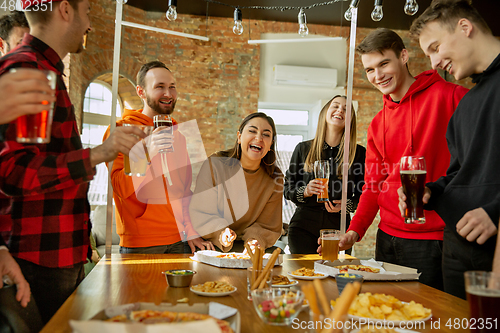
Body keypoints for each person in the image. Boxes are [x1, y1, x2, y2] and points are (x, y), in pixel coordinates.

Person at [0, 0, 147, 324]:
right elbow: (15, 172)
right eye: (89, 13)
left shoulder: (46, 69)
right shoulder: (29, 68)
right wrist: (96, 154)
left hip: (59, 255)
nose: (90, 25)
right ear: (65, 10)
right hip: (39, 260)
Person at [337, 28, 468, 291]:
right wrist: (355, 230)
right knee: (390, 319)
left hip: (434, 240)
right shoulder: (376, 123)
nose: (378, 75)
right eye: (370, 70)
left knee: (429, 324)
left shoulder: (451, 96)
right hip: (386, 237)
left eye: (384, 63)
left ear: (404, 56)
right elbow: (373, 185)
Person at [402, 0, 500, 299]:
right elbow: (459, 174)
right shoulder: (467, 104)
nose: (432, 63)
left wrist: (495, 213)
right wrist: (431, 192)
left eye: (434, 47)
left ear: (465, 27)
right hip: (457, 248)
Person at [103, 61, 211, 254]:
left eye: (172, 87)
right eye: (159, 87)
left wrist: (191, 230)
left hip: (180, 240)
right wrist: (147, 154)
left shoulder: (179, 136)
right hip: (140, 244)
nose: (168, 94)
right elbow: (119, 186)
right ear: (141, 92)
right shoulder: (120, 131)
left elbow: (183, 191)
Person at [189, 112, 283, 252]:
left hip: (250, 246)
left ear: (271, 145)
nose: (259, 138)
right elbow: (201, 212)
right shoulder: (215, 165)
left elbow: (267, 224)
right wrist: (221, 233)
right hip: (214, 242)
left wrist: (256, 240)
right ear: (239, 137)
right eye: (252, 131)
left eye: (266, 134)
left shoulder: (275, 178)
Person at [284, 95, 365, 254]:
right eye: (335, 106)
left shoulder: (359, 153)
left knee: (333, 277)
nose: (340, 110)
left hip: (339, 231)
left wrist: (346, 205)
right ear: (324, 113)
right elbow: (288, 188)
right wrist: (305, 191)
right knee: (302, 276)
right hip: (302, 228)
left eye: (346, 109)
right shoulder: (303, 149)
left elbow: (364, 195)